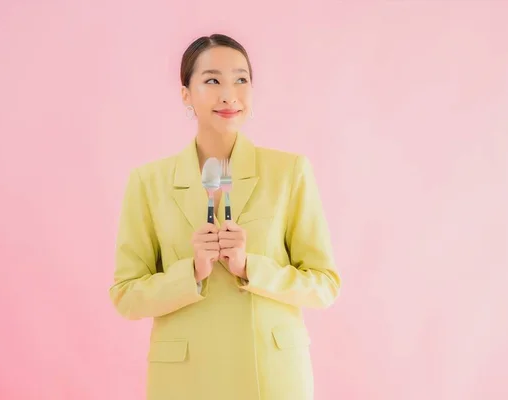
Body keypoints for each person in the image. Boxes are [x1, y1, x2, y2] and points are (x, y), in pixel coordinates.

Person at [109, 33, 341, 400]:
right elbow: (126, 295)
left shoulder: (288, 172)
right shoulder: (148, 182)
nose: (229, 94)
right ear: (186, 93)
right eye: (212, 80)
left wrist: (251, 267)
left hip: (269, 372)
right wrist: (192, 273)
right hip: (185, 379)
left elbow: (325, 285)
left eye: (241, 79)